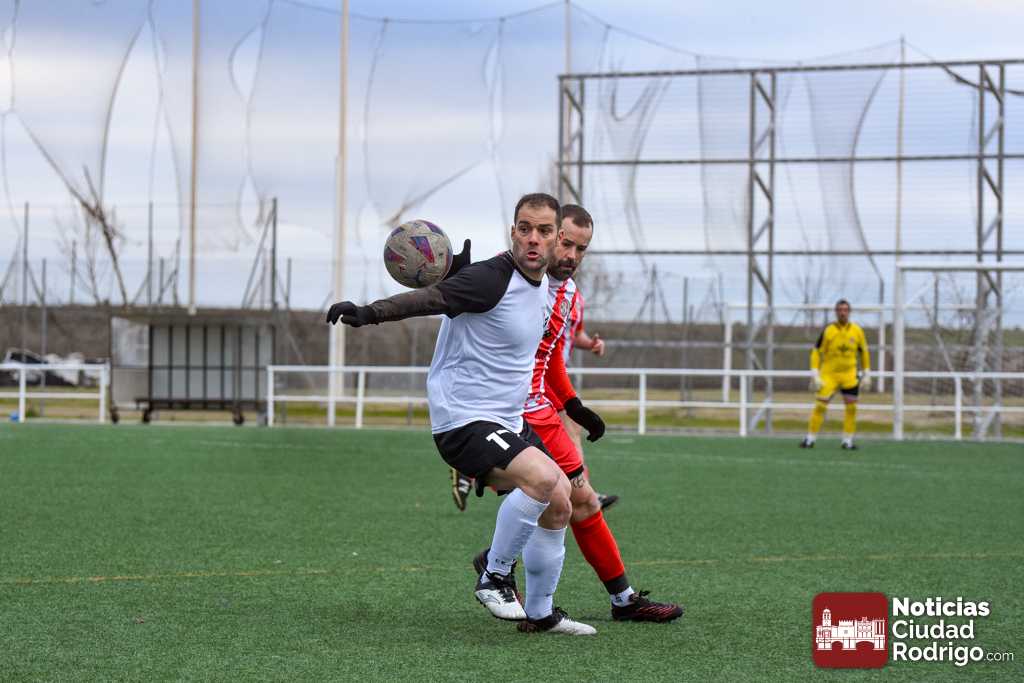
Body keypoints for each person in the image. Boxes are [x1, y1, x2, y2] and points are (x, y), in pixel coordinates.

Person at [328, 193, 595, 635]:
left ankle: (541, 613)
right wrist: (368, 313)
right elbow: (429, 299)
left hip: (507, 420)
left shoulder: (543, 286)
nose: (533, 238)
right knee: (544, 479)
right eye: (524, 228)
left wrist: (573, 405)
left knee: (561, 499)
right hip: (464, 419)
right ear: (513, 233)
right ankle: (494, 576)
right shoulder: (490, 279)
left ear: (556, 238)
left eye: (544, 231)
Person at [477, 203, 683, 623]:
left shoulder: (569, 294)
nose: (571, 255)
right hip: (509, 410)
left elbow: (550, 356)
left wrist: (573, 404)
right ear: (551, 236)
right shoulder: (508, 278)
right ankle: (521, 579)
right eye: (566, 243)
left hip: (543, 409)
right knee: (571, 499)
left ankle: (609, 598)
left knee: (576, 501)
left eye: (581, 248)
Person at [800, 299, 872, 450]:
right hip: (829, 375)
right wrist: (815, 373)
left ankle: (847, 441)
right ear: (836, 312)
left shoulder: (857, 331)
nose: (842, 313)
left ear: (849, 312)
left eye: (845, 310)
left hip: (849, 375)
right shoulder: (829, 330)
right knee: (820, 406)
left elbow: (864, 352)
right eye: (839, 310)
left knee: (851, 408)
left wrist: (867, 373)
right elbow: (816, 351)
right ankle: (810, 439)